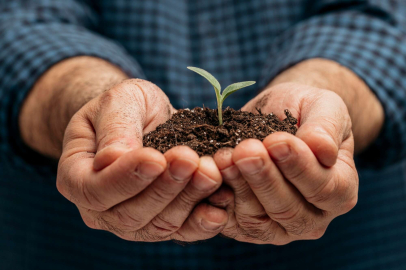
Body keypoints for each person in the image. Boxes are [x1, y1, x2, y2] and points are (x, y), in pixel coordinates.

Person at [0, 0, 405, 269]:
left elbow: (383, 18)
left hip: (346, 252)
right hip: (70, 251)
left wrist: (327, 92)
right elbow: (20, 19)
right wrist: (89, 99)